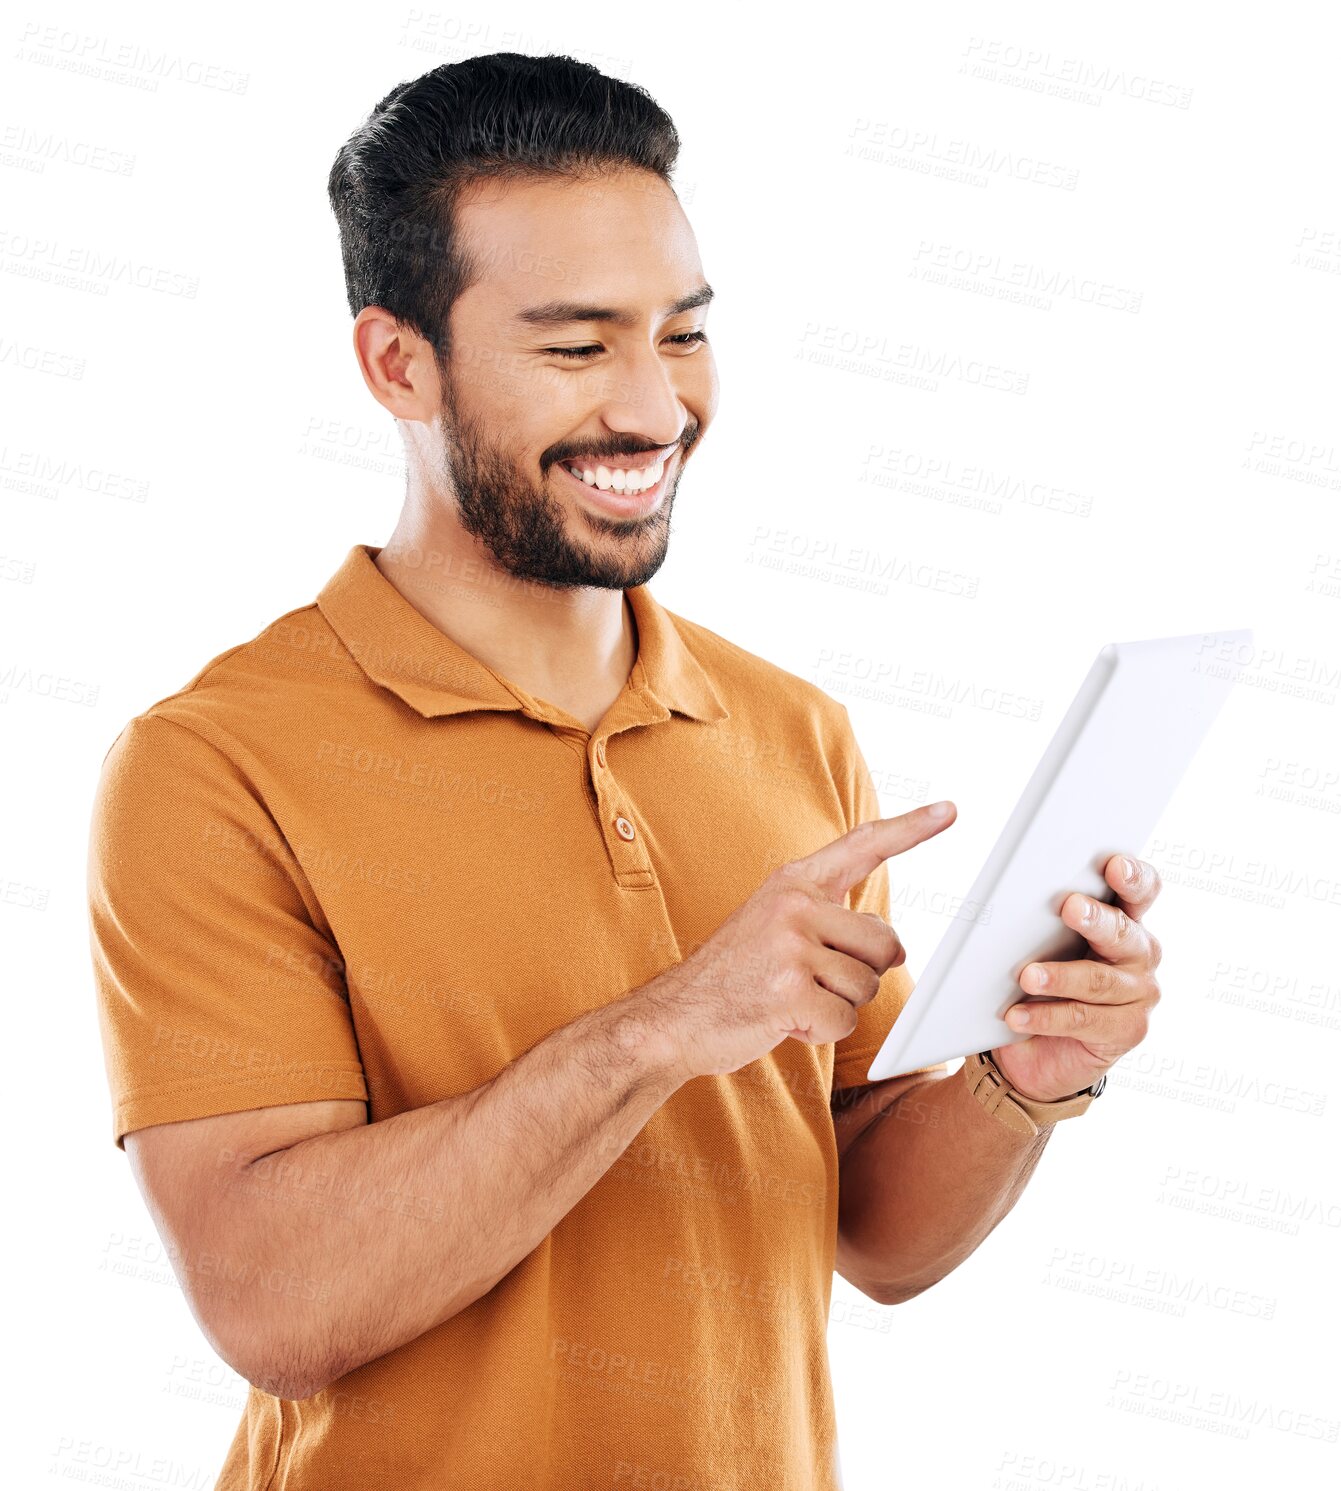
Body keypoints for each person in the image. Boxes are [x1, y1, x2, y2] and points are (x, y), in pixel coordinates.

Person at [86, 52, 1163, 1491]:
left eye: (683, 333)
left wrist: (1021, 1080)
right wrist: (660, 1028)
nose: (656, 411)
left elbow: (865, 1232)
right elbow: (274, 1306)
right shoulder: (213, 765)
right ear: (397, 362)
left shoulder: (791, 729)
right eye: (579, 346)